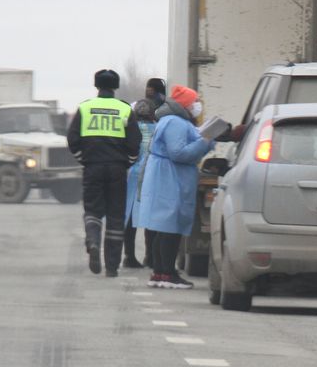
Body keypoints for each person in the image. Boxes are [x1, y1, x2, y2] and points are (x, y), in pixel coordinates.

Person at [134, 85, 215, 289]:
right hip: (170, 179)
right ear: (185, 104)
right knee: (170, 227)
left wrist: (204, 141)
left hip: (167, 177)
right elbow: (178, 153)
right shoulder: (176, 123)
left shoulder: (172, 120)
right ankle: (167, 272)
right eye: (195, 101)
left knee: (164, 226)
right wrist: (204, 142)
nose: (197, 105)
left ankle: (161, 272)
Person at [66, 69, 141, 277]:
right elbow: (135, 143)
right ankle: (112, 266)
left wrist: (84, 159)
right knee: (116, 216)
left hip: (92, 167)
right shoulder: (125, 109)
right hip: (117, 168)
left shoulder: (85, 108)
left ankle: (92, 241)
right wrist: (128, 162)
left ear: (96, 86)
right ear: (116, 87)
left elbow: (72, 140)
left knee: (92, 210)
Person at [122, 97, 158, 269]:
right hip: (152, 176)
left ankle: (129, 256)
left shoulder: (130, 128)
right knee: (151, 217)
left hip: (131, 176)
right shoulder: (158, 128)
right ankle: (150, 256)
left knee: (129, 217)